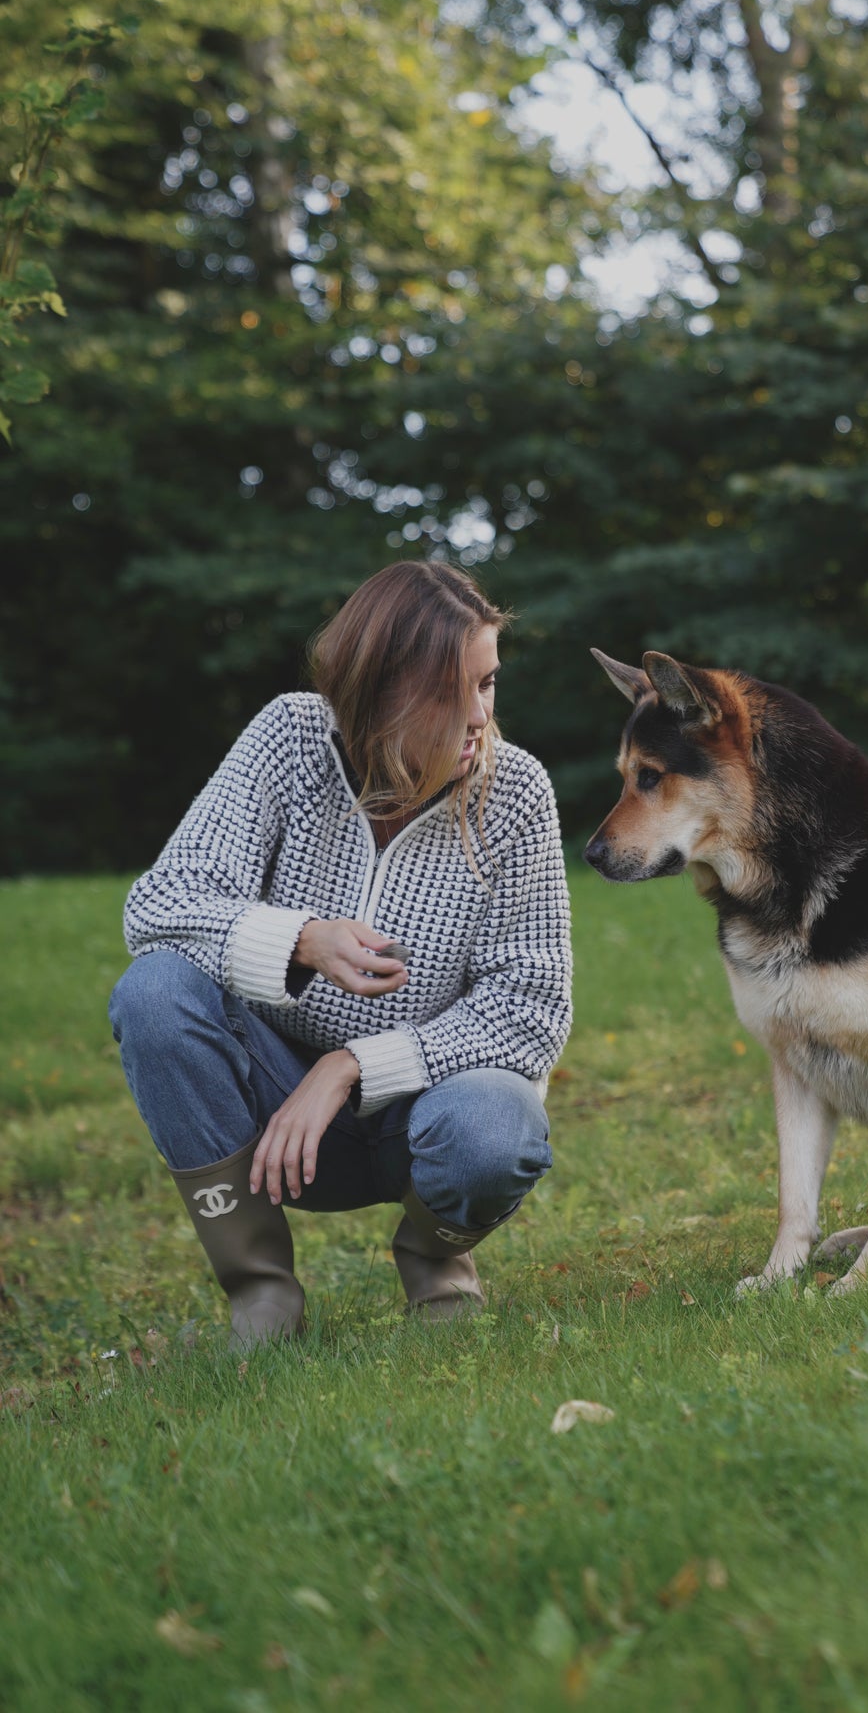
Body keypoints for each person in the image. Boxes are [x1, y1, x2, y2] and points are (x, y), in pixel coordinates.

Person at [108, 561, 572, 1346]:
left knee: (500, 1123)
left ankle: (438, 1270)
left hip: (430, 1119)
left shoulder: (516, 791)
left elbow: (530, 1010)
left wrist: (352, 1064)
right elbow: (162, 903)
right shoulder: (291, 738)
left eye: (487, 683)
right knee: (154, 992)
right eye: (448, 692)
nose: (479, 717)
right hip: (271, 1124)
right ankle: (262, 1299)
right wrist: (303, 940)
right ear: (375, 691)